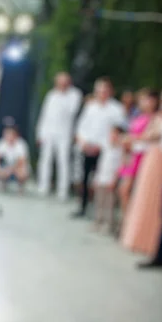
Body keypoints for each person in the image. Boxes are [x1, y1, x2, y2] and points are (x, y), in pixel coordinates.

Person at [72, 77, 126, 218]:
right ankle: (82, 207)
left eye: (104, 90)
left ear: (110, 91)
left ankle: (102, 211)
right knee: (84, 179)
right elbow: (81, 127)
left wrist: (101, 145)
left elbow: (119, 130)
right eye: (99, 90)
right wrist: (83, 142)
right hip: (87, 148)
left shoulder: (116, 109)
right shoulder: (90, 107)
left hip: (105, 150)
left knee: (102, 182)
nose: (101, 93)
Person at [36, 72, 82, 200]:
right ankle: (43, 186)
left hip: (64, 133)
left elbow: (71, 112)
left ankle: (63, 190)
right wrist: (40, 133)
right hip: (49, 132)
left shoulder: (74, 94)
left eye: (63, 81)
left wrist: (63, 93)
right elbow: (45, 114)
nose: (61, 84)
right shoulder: (51, 94)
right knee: (45, 160)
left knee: (63, 161)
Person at [117, 90, 161, 219]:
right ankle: (128, 220)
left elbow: (148, 137)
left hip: (145, 156)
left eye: (146, 100)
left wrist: (131, 138)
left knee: (137, 191)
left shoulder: (156, 118)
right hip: (133, 155)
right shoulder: (138, 117)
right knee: (124, 190)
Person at [92, 125, 124, 234]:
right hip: (101, 177)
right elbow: (101, 163)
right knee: (99, 201)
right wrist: (96, 177)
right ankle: (98, 221)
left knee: (109, 203)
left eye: (115, 134)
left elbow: (119, 167)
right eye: (111, 133)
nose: (113, 136)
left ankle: (108, 224)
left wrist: (114, 180)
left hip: (110, 180)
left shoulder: (120, 150)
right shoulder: (106, 147)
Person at [0, 124, 30, 193]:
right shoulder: (2, 142)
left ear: (15, 135)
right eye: (5, 133)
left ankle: (21, 186)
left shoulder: (21, 144)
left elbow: (21, 161)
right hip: (4, 167)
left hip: (16, 167)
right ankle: (2, 182)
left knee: (23, 172)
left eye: (8, 134)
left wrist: (10, 170)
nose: (6, 135)